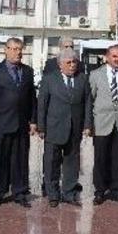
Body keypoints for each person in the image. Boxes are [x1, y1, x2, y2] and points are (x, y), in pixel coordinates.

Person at [0, 37, 37, 208]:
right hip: (2, 122)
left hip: (22, 123)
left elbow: (32, 98)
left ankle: (20, 191)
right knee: (0, 158)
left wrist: (33, 120)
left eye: (20, 49)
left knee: (20, 159)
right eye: (14, 49)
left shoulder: (28, 71)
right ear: (5, 50)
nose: (17, 52)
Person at [36, 49, 91, 207]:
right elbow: (42, 104)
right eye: (68, 62)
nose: (72, 65)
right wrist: (41, 126)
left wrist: (87, 124)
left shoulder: (82, 79)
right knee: (51, 162)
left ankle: (69, 192)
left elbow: (87, 102)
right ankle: (53, 193)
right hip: (54, 127)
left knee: (72, 161)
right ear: (60, 65)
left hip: (75, 128)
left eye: (74, 62)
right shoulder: (49, 79)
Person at [87, 44, 118, 205]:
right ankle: (100, 190)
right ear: (107, 57)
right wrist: (89, 123)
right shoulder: (95, 75)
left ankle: (117, 189)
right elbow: (90, 100)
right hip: (101, 122)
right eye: (114, 56)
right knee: (101, 158)